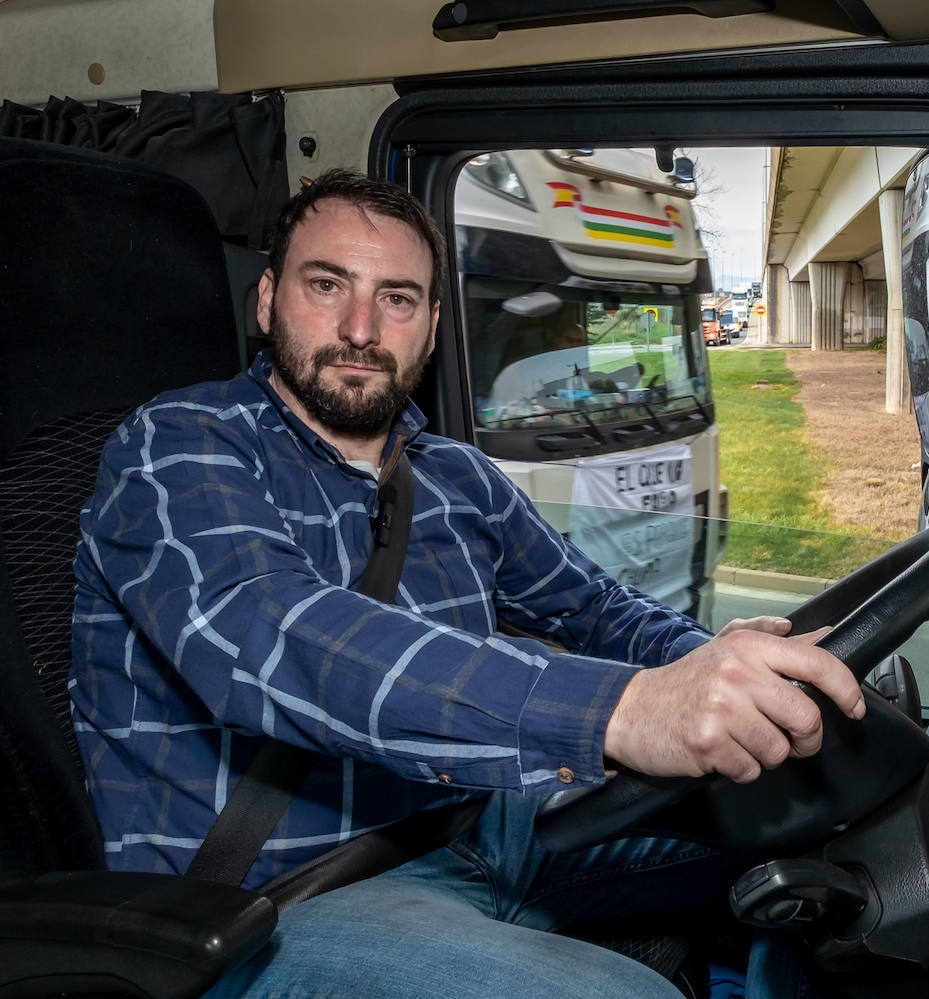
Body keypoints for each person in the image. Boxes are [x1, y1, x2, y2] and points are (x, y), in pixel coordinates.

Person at [69, 169, 864, 999]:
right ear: (268, 301)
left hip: (477, 818)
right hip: (283, 898)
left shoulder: (454, 474)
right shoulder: (175, 446)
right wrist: (624, 710)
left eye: (398, 299)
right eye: (326, 284)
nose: (360, 327)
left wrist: (714, 669)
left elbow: (592, 606)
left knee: (819, 828)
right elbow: (283, 636)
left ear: (432, 325)